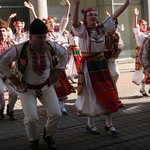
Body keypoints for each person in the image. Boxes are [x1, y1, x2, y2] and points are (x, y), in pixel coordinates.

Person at [0, 19, 68, 150]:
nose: (42, 40)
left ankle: (48, 135)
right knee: (31, 119)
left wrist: (58, 71)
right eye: (39, 37)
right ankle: (34, 139)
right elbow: (1, 61)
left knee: (56, 114)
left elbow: (64, 54)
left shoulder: (51, 46)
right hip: (26, 89)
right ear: (30, 37)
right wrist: (12, 78)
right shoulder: (19, 48)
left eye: (44, 37)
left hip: (46, 87)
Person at [71, 0, 131, 135]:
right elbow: (75, 23)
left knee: (108, 92)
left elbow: (114, 16)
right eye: (90, 15)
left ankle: (109, 124)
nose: (94, 17)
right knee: (91, 95)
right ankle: (90, 123)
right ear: (85, 19)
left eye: (95, 15)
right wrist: (76, 6)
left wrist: (126, 3)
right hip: (89, 66)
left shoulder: (102, 29)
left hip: (102, 65)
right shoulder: (83, 31)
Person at [43, 0, 75, 115]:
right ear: (45, 24)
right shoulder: (44, 36)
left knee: (62, 85)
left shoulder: (58, 33)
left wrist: (69, 6)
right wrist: (32, 10)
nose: (52, 24)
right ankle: (53, 106)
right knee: (51, 86)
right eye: (49, 22)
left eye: (53, 22)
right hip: (49, 64)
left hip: (59, 64)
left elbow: (64, 21)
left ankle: (62, 106)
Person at [0, 19, 18, 121]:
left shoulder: (11, 43)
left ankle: (10, 110)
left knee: (14, 93)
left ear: (7, 32)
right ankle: (0, 110)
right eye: (0, 31)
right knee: (0, 92)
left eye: (3, 31)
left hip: (9, 73)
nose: (2, 33)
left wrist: (14, 63)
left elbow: (16, 56)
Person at [132, 8, 150, 96]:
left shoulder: (148, 34)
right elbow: (135, 28)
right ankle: (142, 90)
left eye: (146, 24)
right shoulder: (139, 34)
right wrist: (135, 16)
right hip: (141, 55)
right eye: (143, 24)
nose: (145, 26)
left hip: (148, 54)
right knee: (143, 72)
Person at [104, 19, 124, 83]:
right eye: (112, 25)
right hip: (100, 58)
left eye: (115, 26)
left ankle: (111, 87)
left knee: (116, 74)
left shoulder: (117, 34)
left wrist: (118, 51)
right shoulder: (102, 33)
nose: (114, 28)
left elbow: (121, 44)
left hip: (111, 57)